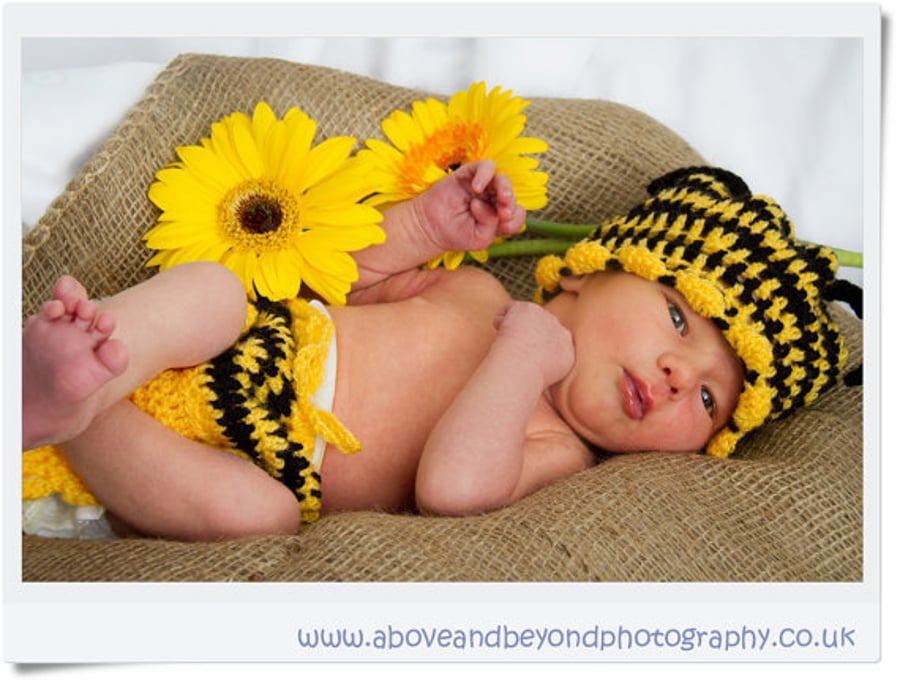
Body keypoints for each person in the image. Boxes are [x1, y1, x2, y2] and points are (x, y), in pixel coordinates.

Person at [21, 163, 857, 541]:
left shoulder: (558, 449)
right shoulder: (478, 293)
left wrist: (525, 363)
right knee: (217, 290)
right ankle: (84, 371)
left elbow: (452, 489)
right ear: (584, 276)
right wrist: (423, 228)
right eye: (679, 321)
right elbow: (339, 281)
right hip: (244, 347)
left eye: (711, 400)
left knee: (257, 519)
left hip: (250, 465)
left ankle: (73, 417)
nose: (681, 377)